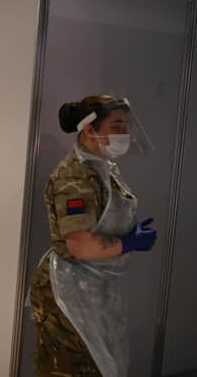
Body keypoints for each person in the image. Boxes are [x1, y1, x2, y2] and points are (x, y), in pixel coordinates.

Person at [30, 95, 158, 377]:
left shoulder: (104, 169)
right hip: (70, 289)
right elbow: (80, 245)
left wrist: (128, 234)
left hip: (94, 288)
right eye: (117, 126)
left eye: (125, 126)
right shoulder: (74, 177)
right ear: (89, 129)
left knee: (101, 366)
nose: (124, 133)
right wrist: (129, 242)